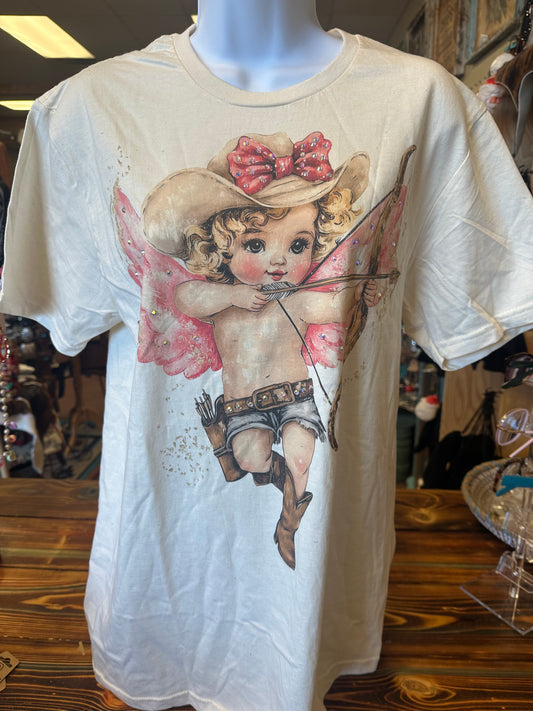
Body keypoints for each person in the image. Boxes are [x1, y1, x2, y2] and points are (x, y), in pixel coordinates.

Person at [1, 1, 532, 710]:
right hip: (157, 589)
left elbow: (423, 308)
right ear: (223, 244)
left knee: (300, 455)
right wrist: (231, 295)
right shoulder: (84, 111)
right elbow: (167, 300)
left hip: (316, 602)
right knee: (254, 454)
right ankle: (240, 456)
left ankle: (288, 509)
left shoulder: (423, 101)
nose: (279, 260)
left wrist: (350, 290)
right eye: (255, 244)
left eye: (299, 244)